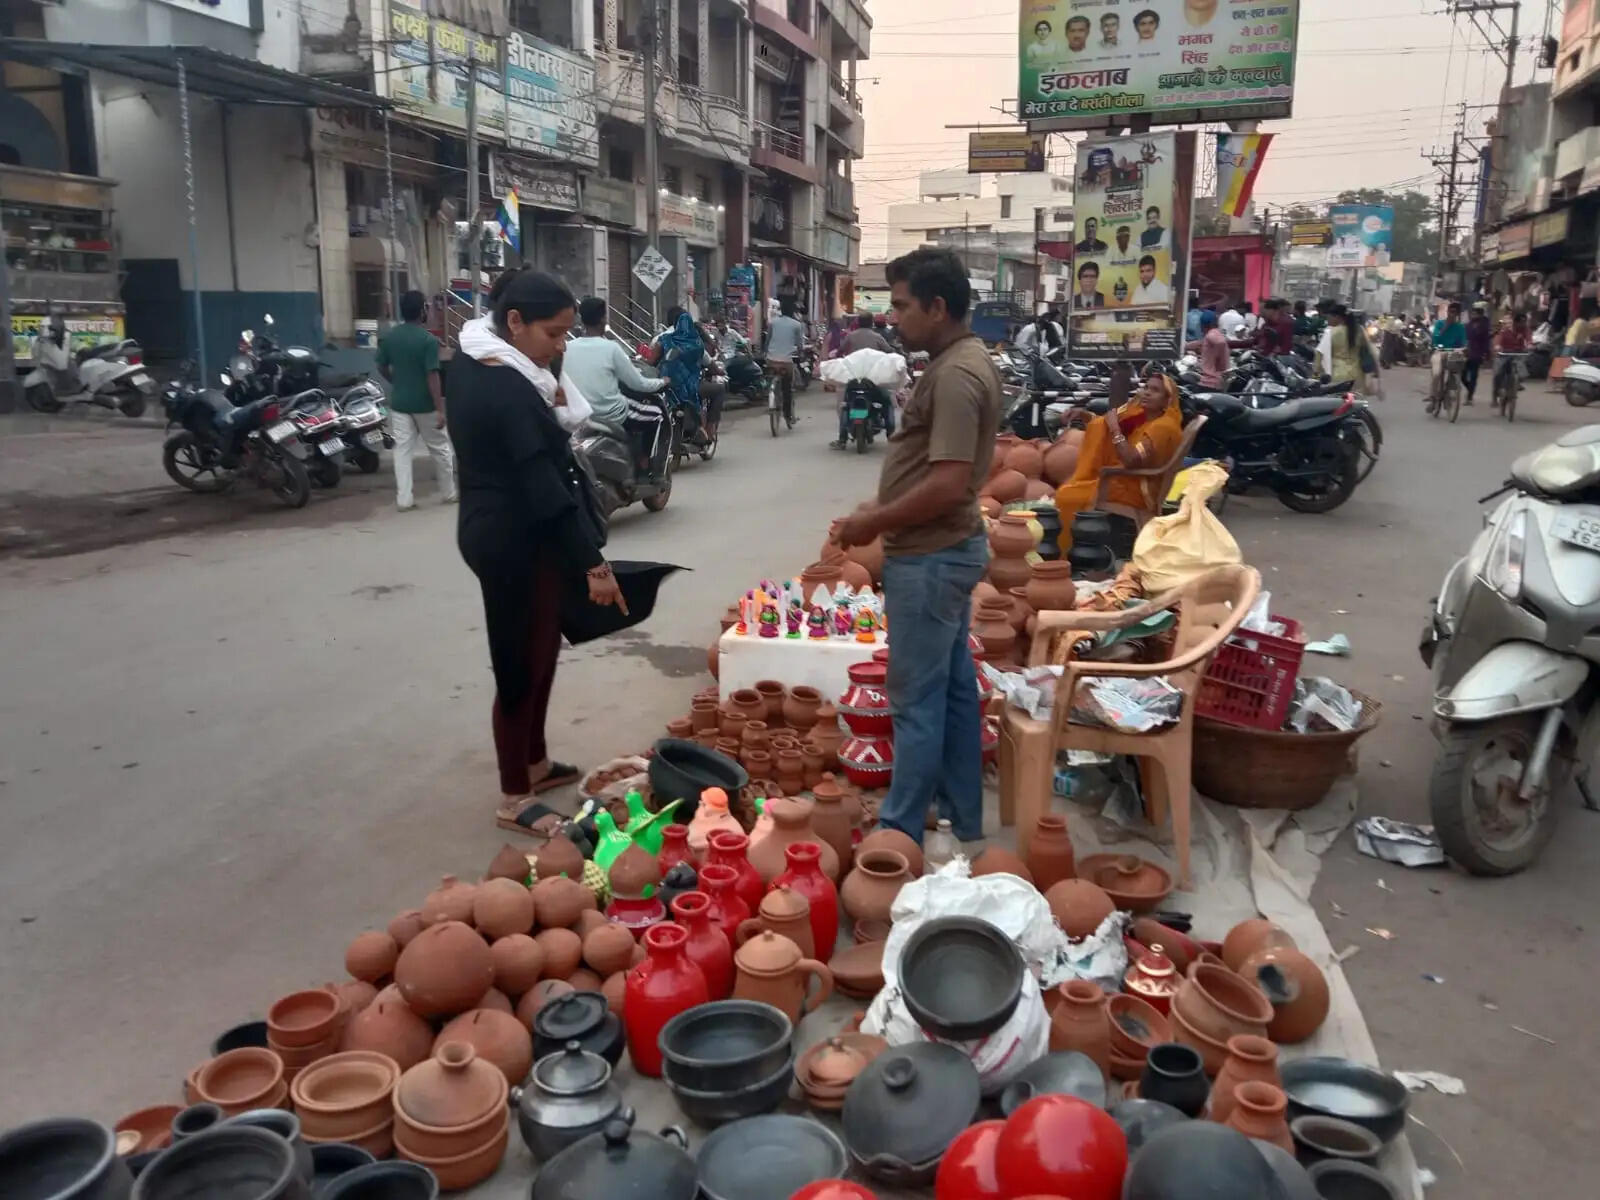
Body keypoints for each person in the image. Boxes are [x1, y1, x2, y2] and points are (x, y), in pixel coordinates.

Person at [828, 247, 1001, 845]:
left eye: (902, 307)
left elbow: (950, 482)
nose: (894, 318)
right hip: (944, 549)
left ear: (937, 306)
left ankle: (899, 830)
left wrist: (873, 522)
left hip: (930, 557)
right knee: (951, 692)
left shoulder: (954, 375)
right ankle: (961, 816)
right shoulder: (964, 358)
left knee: (915, 700)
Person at [447, 270, 628, 825]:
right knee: (519, 662)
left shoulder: (493, 366)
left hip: (519, 529)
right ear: (515, 322)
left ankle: (536, 761)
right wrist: (593, 564)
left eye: (568, 333)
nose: (562, 345)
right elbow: (543, 485)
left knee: (543, 649)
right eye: (554, 333)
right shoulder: (503, 385)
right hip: (509, 536)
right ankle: (514, 797)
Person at [1055, 373, 1185, 531]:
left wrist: (1115, 429)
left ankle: (1070, 548)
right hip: (1126, 480)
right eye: (1146, 387)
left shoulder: (1162, 427)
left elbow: (1130, 460)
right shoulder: (1144, 419)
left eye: (1155, 390)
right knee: (1069, 489)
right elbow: (1106, 426)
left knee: (1067, 496)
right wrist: (1083, 415)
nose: (1147, 392)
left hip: (1139, 490)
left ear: (1167, 400)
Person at [562, 296, 668, 475]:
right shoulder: (612, 348)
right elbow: (638, 383)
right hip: (610, 413)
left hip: (576, 414)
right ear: (603, 319)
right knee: (656, 415)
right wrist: (662, 382)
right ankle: (644, 463)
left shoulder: (567, 347)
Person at [377, 289, 456, 511]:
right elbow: (433, 376)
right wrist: (440, 409)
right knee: (440, 448)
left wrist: (396, 381)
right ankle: (449, 493)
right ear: (422, 311)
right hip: (425, 405)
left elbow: (381, 365)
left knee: (402, 451)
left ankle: (404, 499)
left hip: (400, 404)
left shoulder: (391, 337)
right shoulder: (428, 341)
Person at [657, 307, 711, 443]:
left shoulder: (661, 338)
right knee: (714, 391)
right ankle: (703, 430)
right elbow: (708, 362)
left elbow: (650, 361)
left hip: (663, 384)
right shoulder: (694, 341)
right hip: (686, 387)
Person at [1318, 301, 1378, 394]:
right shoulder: (1359, 330)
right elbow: (1366, 353)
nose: (1328, 320)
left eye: (1329, 317)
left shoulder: (1330, 332)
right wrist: (1373, 373)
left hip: (1336, 375)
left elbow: (1320, 356)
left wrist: (1317, 372)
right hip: (1356, 377)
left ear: (1337, 317)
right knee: (1352, 404)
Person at [764, 299, 806, 426]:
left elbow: (767, 340)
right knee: (787, 388)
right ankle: (788, 415)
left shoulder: (773, 323)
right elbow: (799, 344)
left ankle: (771, 393)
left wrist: (765, 353)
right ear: (793, 311)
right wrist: (800, 353)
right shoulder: (796, 325)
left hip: (771, 360)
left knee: (771, 377)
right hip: (786, 363)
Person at [1430, 301, 1466, 398]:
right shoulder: (1439, 324)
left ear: (1458, 314)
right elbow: (1435, 339)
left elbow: (1463, 342)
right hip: (1439, 351)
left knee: (1460, 366)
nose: (1452, 314)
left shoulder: (1460, 327)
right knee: (1436, 374)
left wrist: (1462, 349)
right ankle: (1433, 396)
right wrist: (1446, 326)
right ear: (1447, 312)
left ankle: (1452, 387)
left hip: (1453, 353)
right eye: (1451, 311)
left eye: (1455, 312)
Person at [1187, 309, 1230, 388]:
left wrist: (1219, 362)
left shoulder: (1212, 333)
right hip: (1215, 381)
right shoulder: (1215, 333)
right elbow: (1202, 343)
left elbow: (1220, 342)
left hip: (1210, 382)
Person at [1463, 305, 1492, 405]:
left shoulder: (1484, 327)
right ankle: (1470, 389)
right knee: (1463, 375)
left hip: (1477, 353)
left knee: (1474, 376)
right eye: (1472, 313)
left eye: (1475, 314)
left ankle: (1470, 396)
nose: (1473, 315)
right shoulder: (1467, 325)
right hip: (1466, 353)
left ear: (1480, 315)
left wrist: (1487, 353)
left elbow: (1486, 341)